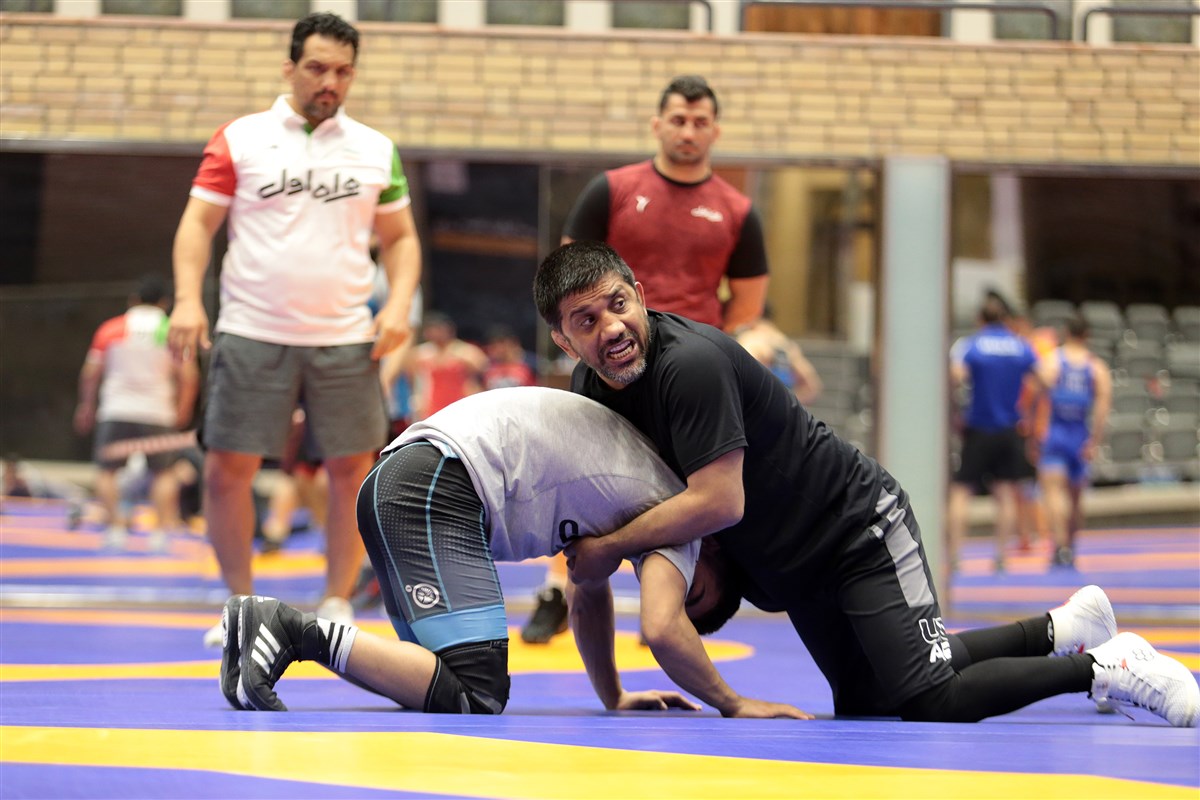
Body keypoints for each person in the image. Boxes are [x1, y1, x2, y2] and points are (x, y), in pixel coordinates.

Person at [530, 240, 1199, 727]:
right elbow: (593, 563)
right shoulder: (592, 394)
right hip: (795, 566)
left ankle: (1109, 666)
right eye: (586, 321)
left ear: (639, 293)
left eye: (618, 304)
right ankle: (1063, 627)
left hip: (856, 529)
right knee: (872, 701)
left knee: (928, 695)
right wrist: (612, 692)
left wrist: (612, 545)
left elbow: (718, 500)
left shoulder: (690, 366)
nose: (612, 328)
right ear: (564, 341)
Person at [219, 387, 807, 720]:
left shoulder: (632, 500)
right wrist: (733, 702)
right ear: (715, 553)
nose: (672, 590)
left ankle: (265, 632)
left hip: (404, 480)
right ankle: (288, 630)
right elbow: (660, 626)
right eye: (691, 590)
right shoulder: (686, 519)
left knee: (441, 681)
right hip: (435, 487)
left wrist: (613, 695)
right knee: (478, 692)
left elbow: (587, 595)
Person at [167, 12, 422, 645]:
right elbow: (198, 225)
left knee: (352, 471)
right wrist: (188, 301)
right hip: (251, 328)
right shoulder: (241, 139)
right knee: (226, 468)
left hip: (345, 336)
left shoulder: (375, 149)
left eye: (343, 71)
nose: (329, 81)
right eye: (316, 67)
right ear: (290, 68)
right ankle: (239, 604)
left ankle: (337, 600)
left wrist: (397, 307)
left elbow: (400, 239)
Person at [522, 74, 772, 644]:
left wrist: (701, 357)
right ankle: (559, 591)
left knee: (688, 495)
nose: (688, 131)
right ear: (657, 125)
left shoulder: (737, 211)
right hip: (611, 370)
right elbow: (569, 283)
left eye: (700, 122)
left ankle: (671, 604)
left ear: (715, 131)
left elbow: (748, 306)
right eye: (678, 120)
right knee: (582, 486)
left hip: (689, 376)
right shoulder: (612, 190)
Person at [74, 275, 199, 552]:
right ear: (164, 303)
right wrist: (183, 408)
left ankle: (116, 529)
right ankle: (160, 534)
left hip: (116, 409)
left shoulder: (111, 329)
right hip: (158, 412)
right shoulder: (171, 330)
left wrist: (86, 405)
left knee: (107, 471)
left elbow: (91, 372)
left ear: (133, 300)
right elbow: (189, 376)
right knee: (164, 472)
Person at [946, 292, 1039, 572]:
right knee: (1005, 492)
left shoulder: (971, 345)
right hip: (1009, 428)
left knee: (961, 491)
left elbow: (955, 377)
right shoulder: (1020, 346)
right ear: (1005, 319)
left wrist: (955, 414)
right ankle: (1000, 556)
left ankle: (954, 556)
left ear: (980, 319)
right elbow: (1045, 379)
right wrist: (1029, 412)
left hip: (978, 427)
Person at [1032, 314, 1112, 568]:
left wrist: (1033, 433)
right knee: (1075, 497)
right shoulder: (1096, 367)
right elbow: (1102, 408)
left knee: (1053, 493)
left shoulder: (1053, 361)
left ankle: (1060, 546)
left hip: (1057, 433)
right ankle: (1071, 545)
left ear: (1066, 333)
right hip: (1079, 434)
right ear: (1087, 335)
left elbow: (1035, 394)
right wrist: (1094, 441)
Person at [408, 311, 488, 421]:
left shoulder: (466, 352)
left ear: (448, 330)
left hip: (460, 403)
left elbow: (482, 373)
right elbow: (414, 379)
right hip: (433, 406)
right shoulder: (421, 354)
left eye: (438, 329)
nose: (435, 333)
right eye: (431, 330)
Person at [734, 311, 822, 405]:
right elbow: (812, 387)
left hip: (758, 404)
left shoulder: (751, 338)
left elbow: (742, 376)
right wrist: (786, 405)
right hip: (777, 405)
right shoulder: (785, 343)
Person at [481, 324, 536, 391]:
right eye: (494, 345)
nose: (499, 348)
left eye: (501, 343)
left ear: (513, 342)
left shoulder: (533, 364)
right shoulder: (486, 367)